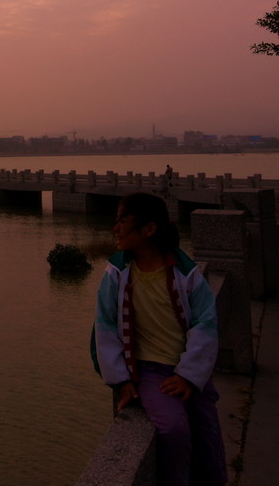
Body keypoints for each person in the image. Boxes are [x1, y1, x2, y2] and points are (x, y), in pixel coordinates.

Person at [91, 192, 227, 486]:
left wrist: (190, 375)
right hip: (149, 370)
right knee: (174, 429)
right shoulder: (116, 274)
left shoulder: (185, 273)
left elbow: (206, 323)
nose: (116, 229)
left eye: (123, 221)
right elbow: (105, 329)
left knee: (208, 434)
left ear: (149, 229)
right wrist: (121, 380)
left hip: (186, 368)